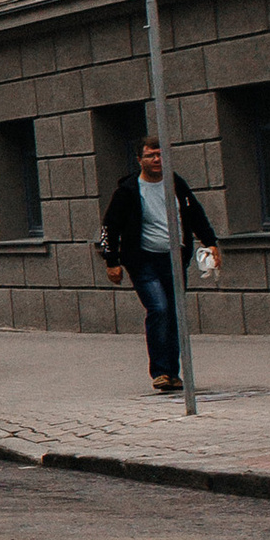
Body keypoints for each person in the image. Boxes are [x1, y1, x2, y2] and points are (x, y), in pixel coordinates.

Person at [101, 137, 220, 391]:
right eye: (151, 155)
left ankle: (171, 373)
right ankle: (160, 371)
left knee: (174, 313)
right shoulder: (129, 191)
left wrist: (210, 243)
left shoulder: (176, 184)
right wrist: (111, 261)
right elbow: (110, 227)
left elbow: (196, 215)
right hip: (143, 260)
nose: (157, 160)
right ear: (140, 160)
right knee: (159, 308)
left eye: (161, 155)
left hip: (174, 259)